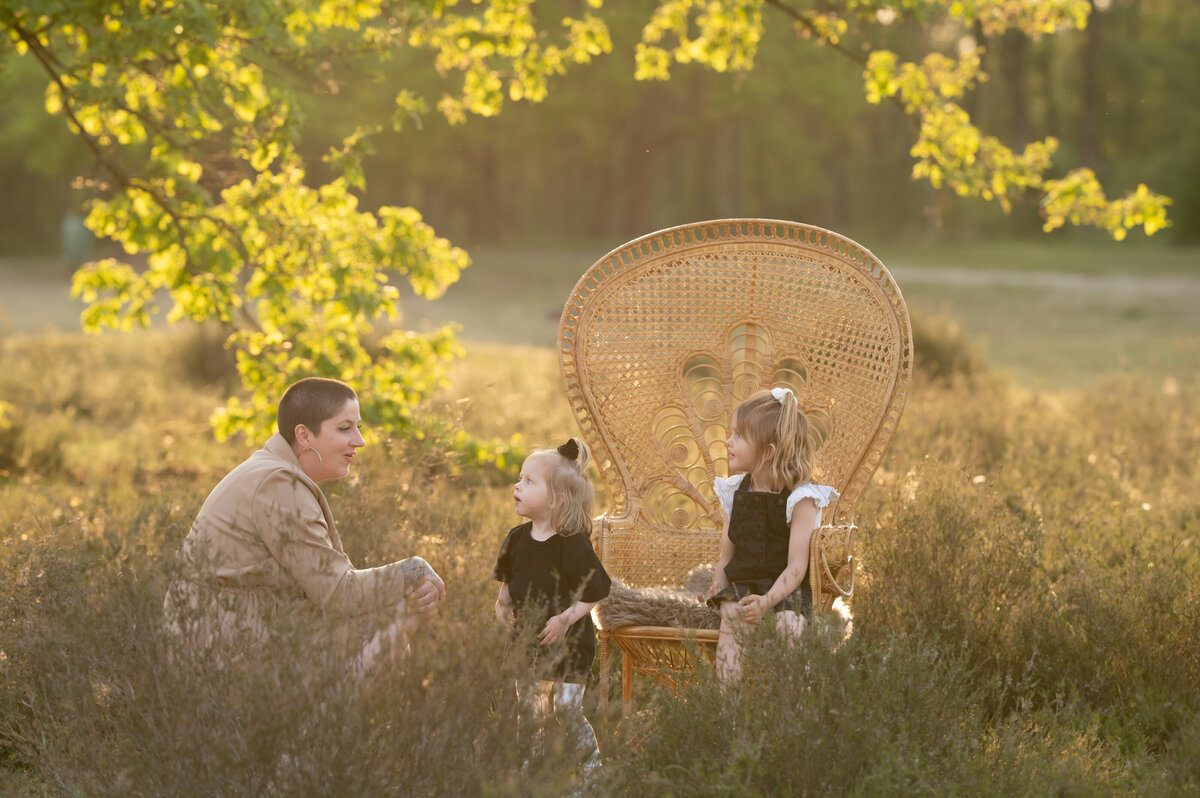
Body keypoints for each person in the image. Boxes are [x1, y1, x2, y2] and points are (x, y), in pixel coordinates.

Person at [163, 377, 445, 674]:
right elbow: (338, 593)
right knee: (388, 617)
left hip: (221, 638)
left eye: (358, 428)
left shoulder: (270, 471)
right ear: (305, 435)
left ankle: (331, 715)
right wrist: (413, 569)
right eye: (344, 428)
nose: (359, 441)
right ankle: (332, 719)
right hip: (216, 656)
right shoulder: (278, 484)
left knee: (381, 609)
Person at [702, 387, 838, 682]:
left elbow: (797, 567)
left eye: (738, 435)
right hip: (743, 587)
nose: (728, 441)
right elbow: (727, 555)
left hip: (785, 592)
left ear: (768, 452)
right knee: (731, 616)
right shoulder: (734, 491)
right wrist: (718, 585)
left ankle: (794, 710)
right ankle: (730, 711)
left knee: (789, 626)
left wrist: (768, 602)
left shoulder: (800, 498)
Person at [492, 438, 610, 773]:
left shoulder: (572, 544)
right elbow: (508, 585)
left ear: (555, 499)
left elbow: (595, 590)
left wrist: (564, 619)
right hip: (527, 640)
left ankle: (590, 770)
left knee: (566, 711)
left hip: (569, 642)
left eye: (529, 481)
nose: (518, 485)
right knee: (530, 710)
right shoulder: (516, 539)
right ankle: (532, 768)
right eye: (520, 478)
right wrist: (501, 606)